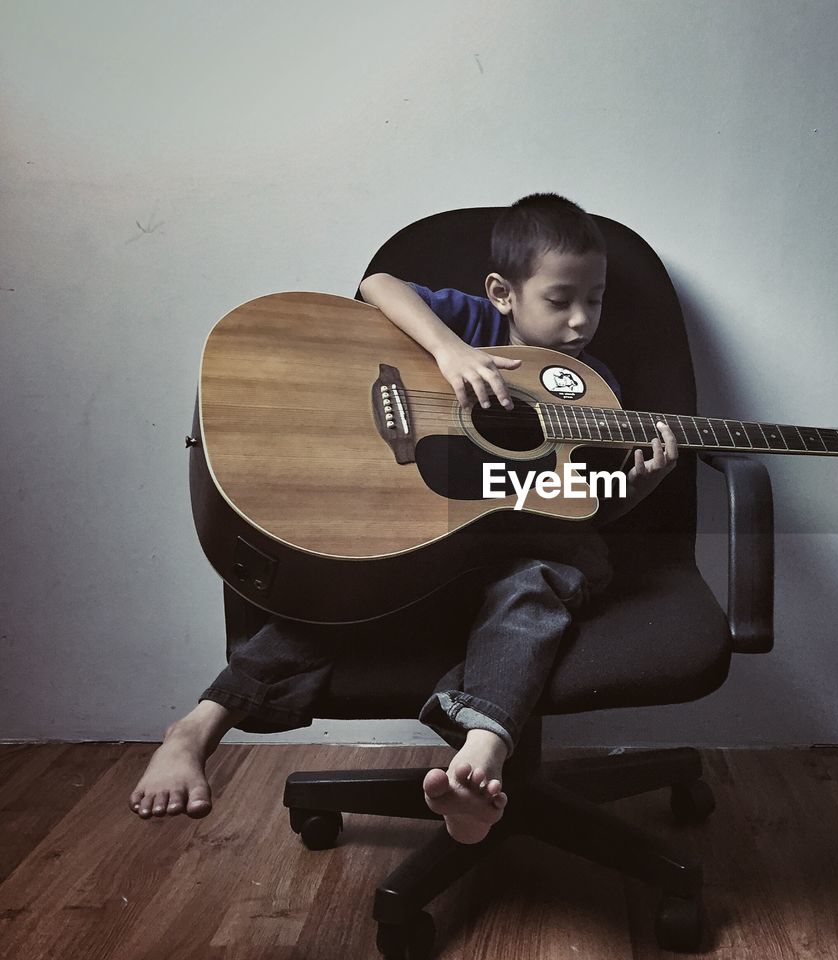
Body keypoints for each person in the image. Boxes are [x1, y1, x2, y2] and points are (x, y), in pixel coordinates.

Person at [129, 194, 681, 844]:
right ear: (503, 293)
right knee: (337, 602)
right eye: (560, 300)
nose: (581, 320)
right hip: (424, 542)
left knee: (536, 588)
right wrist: (450, 353)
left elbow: (585, 505)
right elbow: (377, 285)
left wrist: (641, 484)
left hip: (514, 548)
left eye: (596, 298)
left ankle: (480, 757)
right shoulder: (473, 321)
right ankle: (196, 728)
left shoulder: (593, 385)